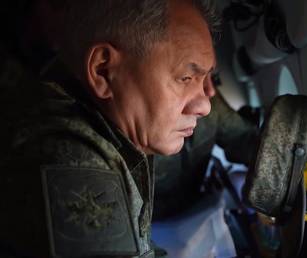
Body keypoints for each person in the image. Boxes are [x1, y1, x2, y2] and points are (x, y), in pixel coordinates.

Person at [0, 0, 219, 257]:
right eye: (185, 78)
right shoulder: (67, 158)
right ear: (103, 70)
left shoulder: (117, 128)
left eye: (206, 78)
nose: (205, 106)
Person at [153, 88, 259, 220]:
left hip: (195, 206)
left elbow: (242, 138)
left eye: (212, 75)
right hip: (150, 219)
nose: (211, 90)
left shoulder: (210, 100)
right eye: (188, 76)